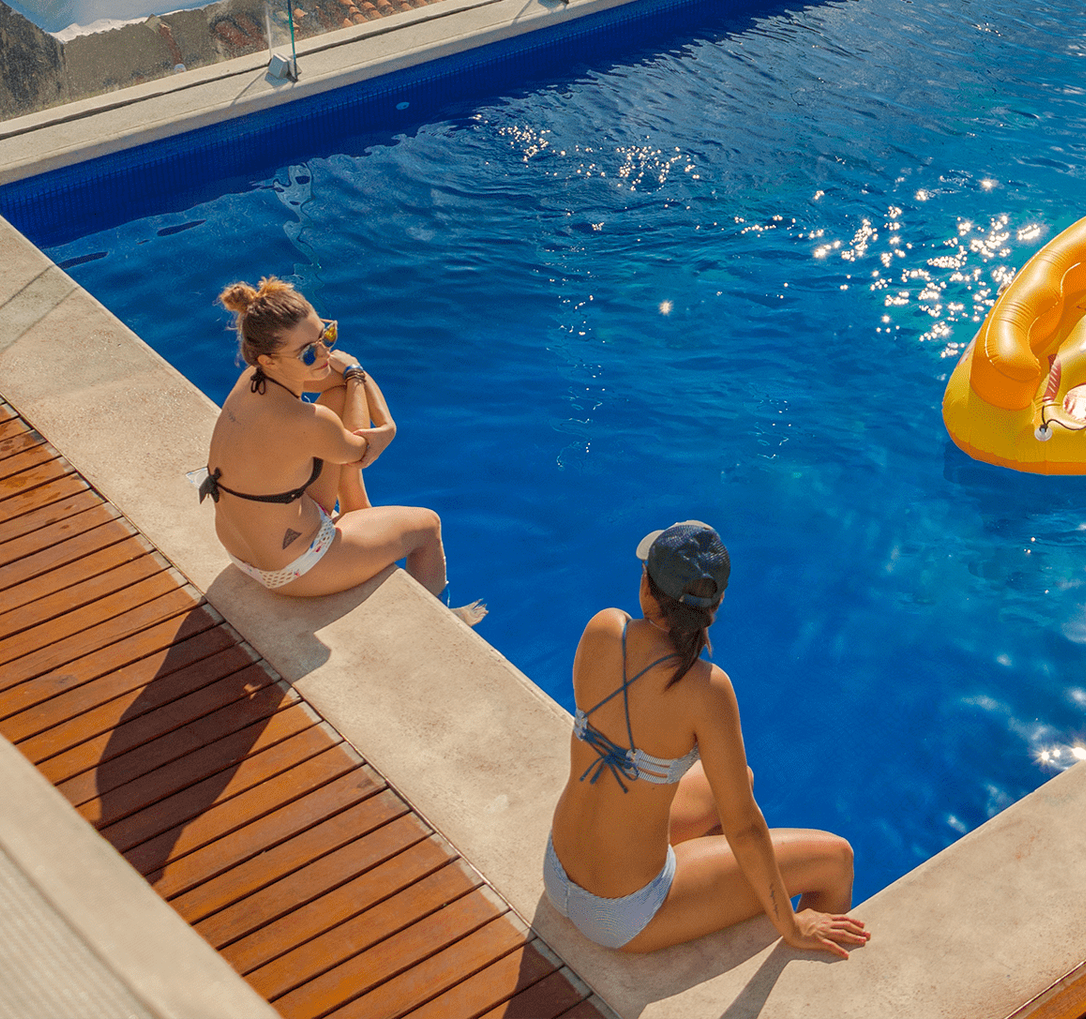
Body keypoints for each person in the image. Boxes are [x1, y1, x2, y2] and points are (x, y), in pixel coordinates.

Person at [546, 521, 868, 957]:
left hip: (558, 870)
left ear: (646, 587)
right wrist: (790, 922)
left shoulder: (605, 628)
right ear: (714, 607)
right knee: (836, 860)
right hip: (620, 913)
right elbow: (745, 827)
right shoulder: (707, 689)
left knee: (742, 780)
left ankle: (711, 884)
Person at [202, 277, 479, 620]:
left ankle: (356, 511)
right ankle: (439, 621)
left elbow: (342, 377)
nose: (322, 355)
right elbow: (365, 449)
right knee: (427, 526)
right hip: (292, 568)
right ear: (269, 360)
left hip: (241, 550)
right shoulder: (308, 422)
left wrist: (359, 386)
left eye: (325, 336)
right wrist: (363, 385)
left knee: (338, 392)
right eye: (307, 352)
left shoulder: (252, 380)